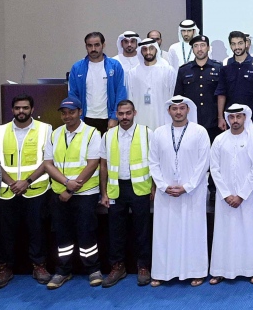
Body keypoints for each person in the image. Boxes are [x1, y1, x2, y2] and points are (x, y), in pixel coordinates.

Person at [148, 96, 210, 287]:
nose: (178, 112)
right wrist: (162, 185)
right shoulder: (159, 133)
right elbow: (153, 162)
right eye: (174, 109)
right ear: (168, 111)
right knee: (165, 233)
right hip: (166, 193)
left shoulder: (200, 132)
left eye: (182, 108)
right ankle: (162, 272)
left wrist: (187, 187)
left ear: (188, 110)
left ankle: (196, 272)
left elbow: (204, 162)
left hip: (192, 193)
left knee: (193, 232)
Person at [42, 97, 103, 289]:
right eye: (64, 113)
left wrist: (71, 188)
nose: (67, 116)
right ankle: (62, 271)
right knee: (62, 235)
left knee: (86, 232)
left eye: (71, 112)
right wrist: (66, 183)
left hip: (85, 193)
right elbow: (48, 164)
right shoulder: (55, 134)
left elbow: (93, 164)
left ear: (80, 112)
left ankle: (93, 269)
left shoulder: (92, 133)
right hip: (59, 193)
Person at [0, 94, 52, 289]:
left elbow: (48, 161)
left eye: (25, 108)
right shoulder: (0, 131)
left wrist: (27, 182)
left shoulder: (45, 129)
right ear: (12, 110)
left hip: (36, 190)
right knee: (5, 233)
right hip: (7, 191)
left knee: (37, 231)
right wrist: (12, 183)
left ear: (32, 110)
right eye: (17, 108)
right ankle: (5, 268)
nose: (21, 111)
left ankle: (39, 266)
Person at [98, 100, 153, 288]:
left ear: (134, 113)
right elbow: (103, 165)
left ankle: (143, 267)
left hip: (140, 188)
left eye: (128, 113)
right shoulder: (108, 135)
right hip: (116, 189)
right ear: (116, 114)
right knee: (115, 231)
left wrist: (153, 188)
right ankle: (117, 267)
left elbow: (154, 162)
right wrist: (103, 193)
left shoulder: (147, 133)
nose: (124, 117)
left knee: (142, 230)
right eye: (121, 114)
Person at [209, 104, 253, 285]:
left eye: (238, 117)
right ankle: (220, 270)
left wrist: (241, 195)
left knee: (249, 231)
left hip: (246, 197)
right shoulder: (219, 140)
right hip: (224, 198)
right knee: (224, 232)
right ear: (227, 119)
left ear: (245, 118)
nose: (235, 120)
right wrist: (226, 194)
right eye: (232, 117)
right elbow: (214, 169)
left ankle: (252, 270)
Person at [67, 32, 127, 133]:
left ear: (103, 45)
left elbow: (121, 93)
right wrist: (78, 118)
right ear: (86, 46)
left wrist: (115, 117)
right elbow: (73, 95)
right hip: (85, 119)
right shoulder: (77, 68)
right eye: (90, 45)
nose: (93, 49)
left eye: (97, 45)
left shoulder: (115, 66)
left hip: (108, 119)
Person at [216, 30, 253, 135]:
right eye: (233, 44)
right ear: (230, 45)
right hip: (231, 117)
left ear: (246, 43)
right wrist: (220, 117)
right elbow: (221, 93)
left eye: (240, 43)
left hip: (252, 116)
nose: (237, 47)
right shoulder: (225, 65)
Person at [174, 34, 223, 134]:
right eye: (196, 46)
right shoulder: (184, 70)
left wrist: (221, 117)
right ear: (192, 49)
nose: (199, 49)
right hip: (190, 121)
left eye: (202, 45)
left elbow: (223, 94)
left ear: (208, 48)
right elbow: (178, 96)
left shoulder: (219, 68)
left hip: (213, 121)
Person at [127, 38, 175, 131]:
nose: (148, 52)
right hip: (140, 116)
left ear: (156, 49)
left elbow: (172, 95)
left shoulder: (168, 71)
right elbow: (130, 97)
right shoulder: (133, 73)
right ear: (141, 51)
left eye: (151, 48)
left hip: (162, 117)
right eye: (144, 49)